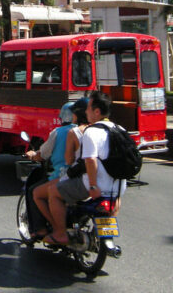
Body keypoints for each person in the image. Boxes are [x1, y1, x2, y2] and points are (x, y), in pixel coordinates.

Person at [43, 90, 125, 246]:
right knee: (115, 200)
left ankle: (60, 234)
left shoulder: (91, 132)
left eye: (89, 108)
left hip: (94, 186)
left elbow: (90, 161)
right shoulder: (119, 129)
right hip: (118, 187)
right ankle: (104, 230)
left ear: (97, 111)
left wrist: (93, 186)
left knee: (53, 192)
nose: (86, 111)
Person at [26, 97, 89, 239]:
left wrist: (33, 155)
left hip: (66, 176)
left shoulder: (60, 132)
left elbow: (44, 154)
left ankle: (51, 229)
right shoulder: (91, 131)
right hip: (91, 177)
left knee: (35, 192)